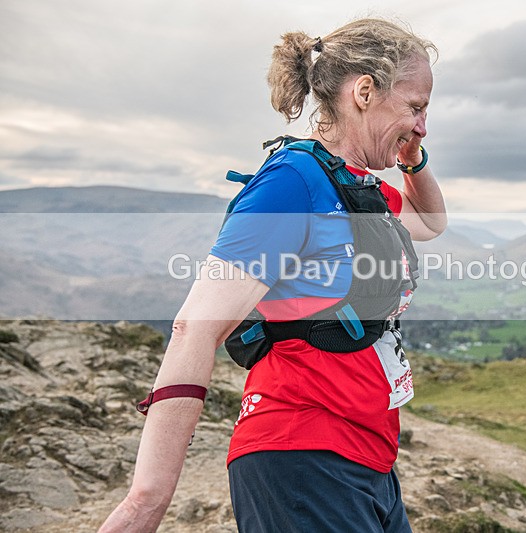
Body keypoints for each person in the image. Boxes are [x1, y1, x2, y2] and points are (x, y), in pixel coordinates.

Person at [100, 17, 446, 533]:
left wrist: (412, 159)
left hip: (368, 458)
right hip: (300, 457)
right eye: (415, 108)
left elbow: (430, 223)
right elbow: (195, 327)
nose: (422, 124)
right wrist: (146, 500)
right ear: (365, 92)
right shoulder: (292, 184)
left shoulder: (354, 185)